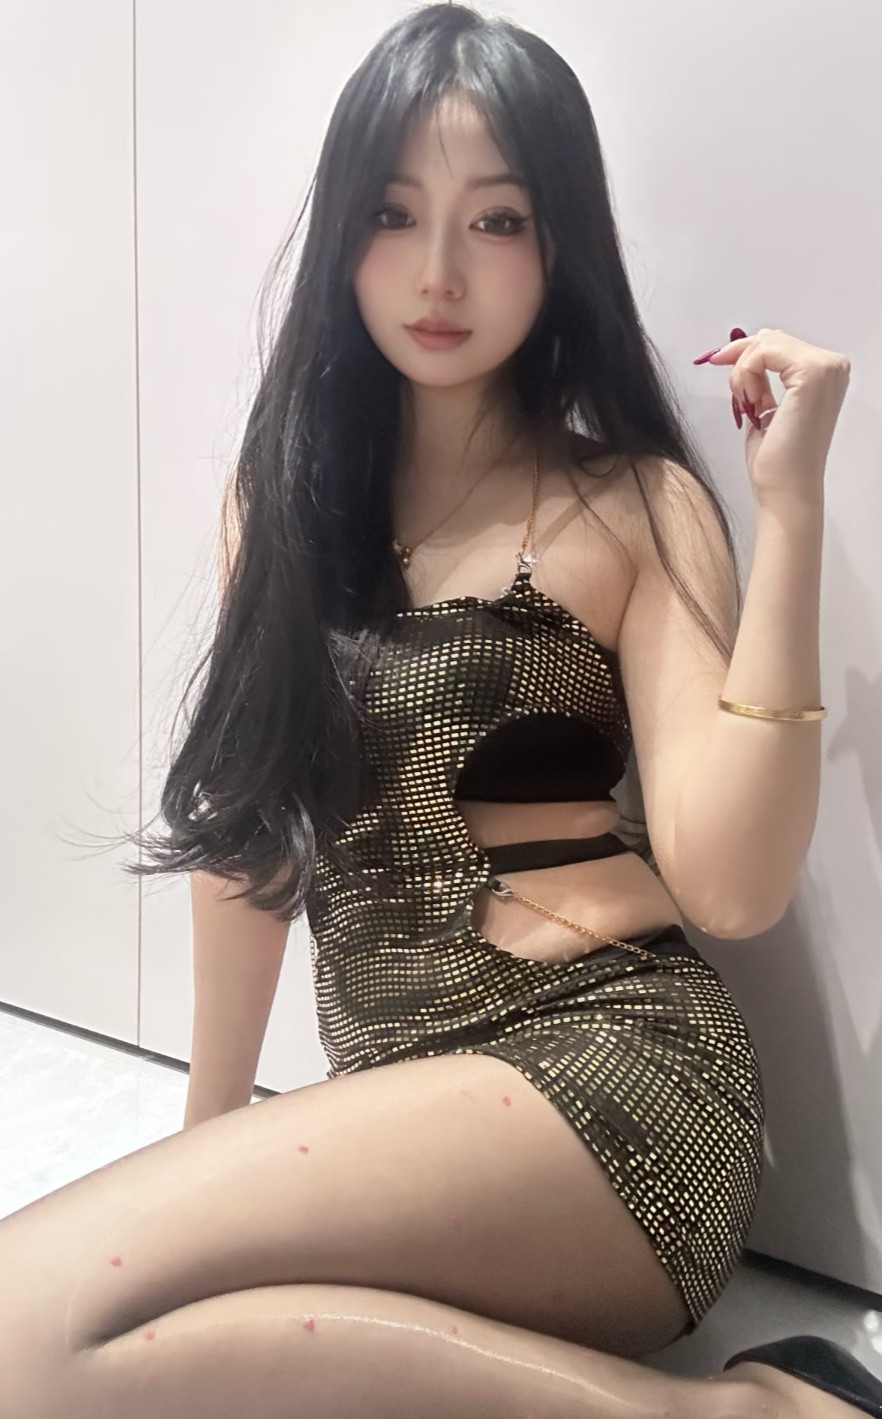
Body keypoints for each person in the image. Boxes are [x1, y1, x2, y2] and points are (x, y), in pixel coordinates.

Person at [2, 6, 871, 1418]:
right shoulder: (282, 506)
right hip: (398, 1110)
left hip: (616, 1081)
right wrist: (200, 1143)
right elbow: (255, 838)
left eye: (498, 220)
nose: (438, 272)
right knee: (97, 1337)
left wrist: (793, 515)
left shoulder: (628, 501)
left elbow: (732, 885)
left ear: (559, 243)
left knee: (23, 1323)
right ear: (343, 234)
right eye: (394, 214)